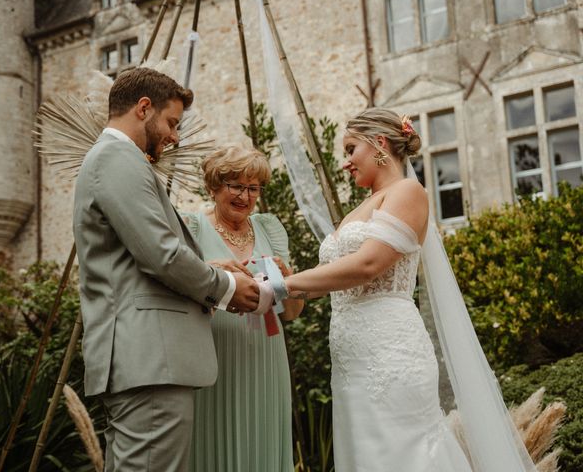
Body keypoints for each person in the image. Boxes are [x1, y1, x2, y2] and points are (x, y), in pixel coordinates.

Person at [72, 68, 262, 472]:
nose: (175, 136)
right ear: (144, 108)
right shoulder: (116, 158)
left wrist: (205, 266)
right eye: (172, 122)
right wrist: (227, 287)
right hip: (149, 360)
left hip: (143, 359)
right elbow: (161, 255)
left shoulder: (117, 160)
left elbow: (134, 257)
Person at [283, 108, 473, 471]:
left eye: (351, 149)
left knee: (402, 456)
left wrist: (285, 284)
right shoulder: (360, 209)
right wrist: (282, 281)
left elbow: (368, 265)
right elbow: (330, 278)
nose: (346, 163)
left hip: (391, 355)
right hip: (351, 361)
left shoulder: (407, 191)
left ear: (379, 143)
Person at [183, 146, 303, 472]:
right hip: (214, 357)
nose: (245, 196)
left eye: (253, 188)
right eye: (235, 186)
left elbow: (291, 313)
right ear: (213, 187)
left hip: (266, 356)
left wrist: (288, 280)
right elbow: (177, 290)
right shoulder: (191, 229)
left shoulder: (269, 228)